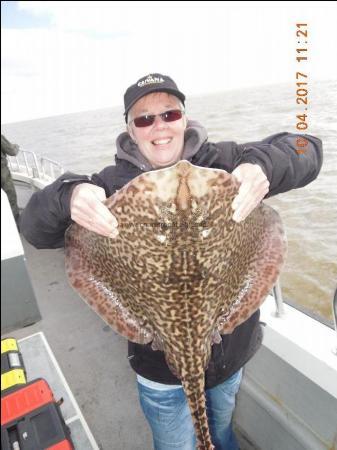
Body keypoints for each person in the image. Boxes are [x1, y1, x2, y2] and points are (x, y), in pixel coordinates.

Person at [20, 73, 323, 450]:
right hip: (158, 371)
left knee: (221, 434)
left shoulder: (226, 163)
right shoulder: (111, 184)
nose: (159, 126)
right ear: (130, 130)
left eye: (169, 114)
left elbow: (306, 147)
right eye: (144, 119)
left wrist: (263, 166)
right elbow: (34, 228)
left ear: (184, 117)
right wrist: (68, 194)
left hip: (229, 359)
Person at [1, 134, 20, 225]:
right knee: (10, 199)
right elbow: (12, 151)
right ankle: (15, 226)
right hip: (2, 173)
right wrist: (16, 146)